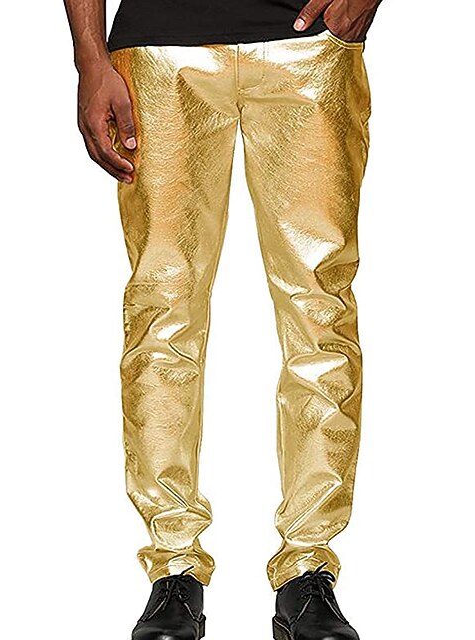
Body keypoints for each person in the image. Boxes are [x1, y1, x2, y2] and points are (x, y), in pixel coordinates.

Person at [63, 0, 383, 638]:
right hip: (160, 46)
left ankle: (308, 571)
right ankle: (173, 568)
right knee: (162, 308)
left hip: (307, 44)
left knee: (319, 307)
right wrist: (90, 57)